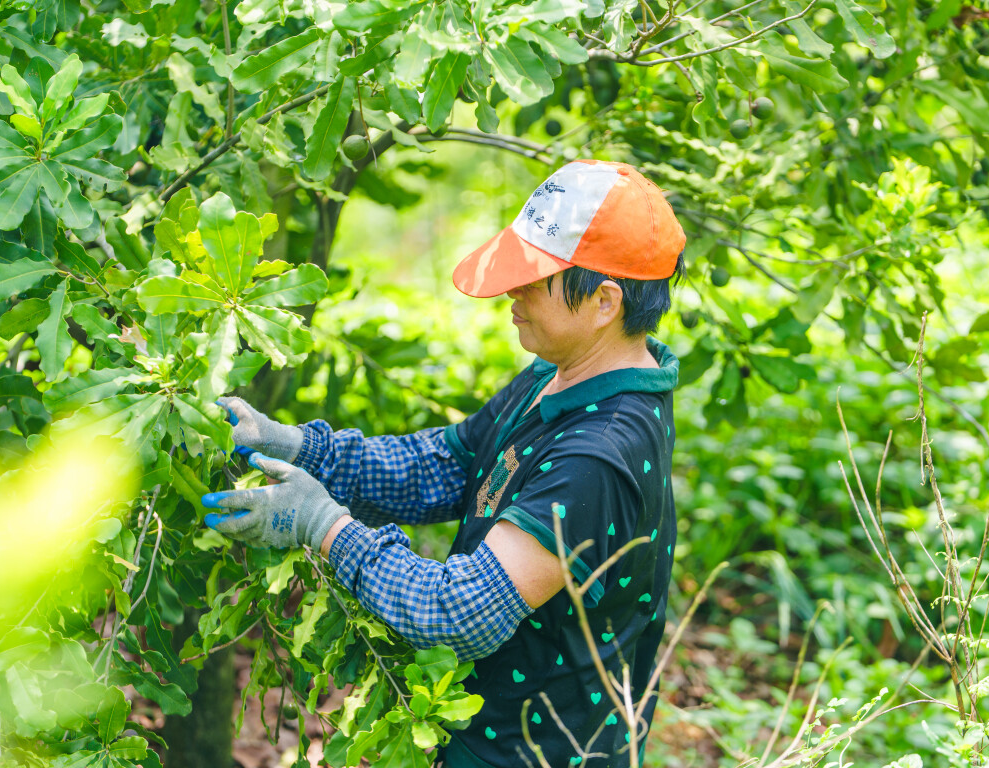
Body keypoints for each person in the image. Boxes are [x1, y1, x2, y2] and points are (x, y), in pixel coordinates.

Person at [203, 159, 686, 767]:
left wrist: (322, 527)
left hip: (541, 752)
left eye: (535, 279)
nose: (513, 291)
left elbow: (458, 613)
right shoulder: (561, 373)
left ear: (604, 301)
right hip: (488, 732)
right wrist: (299, 446)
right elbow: (448, 465)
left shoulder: (600, 450)